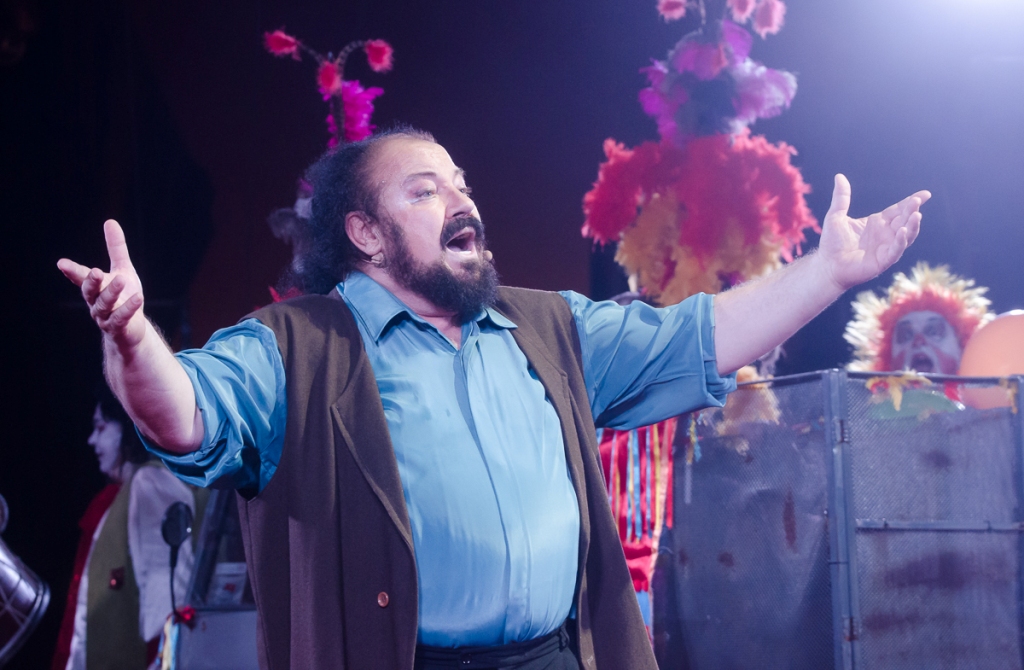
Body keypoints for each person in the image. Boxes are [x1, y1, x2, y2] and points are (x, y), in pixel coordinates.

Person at [57, 127, 929, 670]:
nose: (460, 199)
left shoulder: (547, 327)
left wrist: (827, 273)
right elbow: (185, 415)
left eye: (460, 183)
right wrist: (132, 339)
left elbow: (699, 336)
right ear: (366, 233)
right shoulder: (296, 346)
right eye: (425, 190)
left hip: (554, 659)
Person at [51, 386, 198, 670]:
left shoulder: (151, 484)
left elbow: (165, 595)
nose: (92, 440)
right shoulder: (124, 494)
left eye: (101, 427)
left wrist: (163, 660)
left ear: (130, 428)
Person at [844, 262, 993, 374]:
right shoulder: (867, 407)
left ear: (962, 349)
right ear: (889, 359)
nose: (919, 342)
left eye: (934, 331)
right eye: (905, 335)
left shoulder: (990, 406)